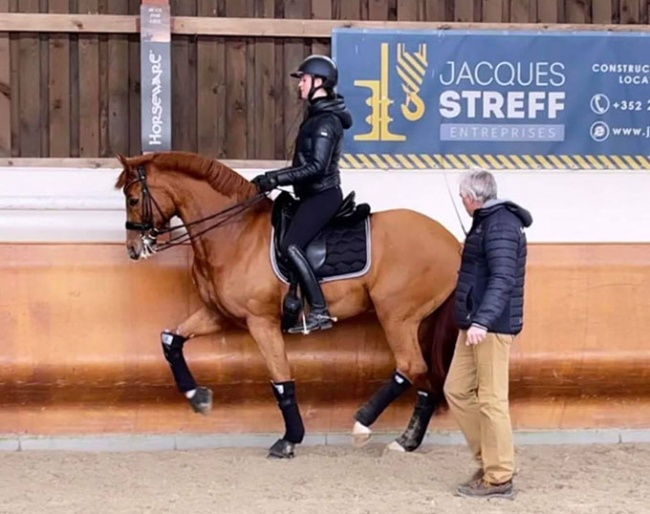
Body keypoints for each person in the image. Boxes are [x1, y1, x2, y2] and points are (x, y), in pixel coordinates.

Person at [443, 169, 533, 500]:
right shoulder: (488, 222)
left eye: (463, 196)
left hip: (490, 327)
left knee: (492, 399)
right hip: (474, 323)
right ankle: (493, 460)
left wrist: (481, 321)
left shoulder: (501, 225)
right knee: (456, 390)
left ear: (470, 197)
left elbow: (503, 278)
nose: (462, 201)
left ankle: (499, 477)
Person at [251, 54, 353, 335]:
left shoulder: (325, 122)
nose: (300, 86)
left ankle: (319, 309)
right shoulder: (317, 117)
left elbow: (316, 168)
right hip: (310, 195)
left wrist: (275, 178)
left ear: (319, 83)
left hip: (323, 196)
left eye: (304, 80)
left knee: (291, 245)